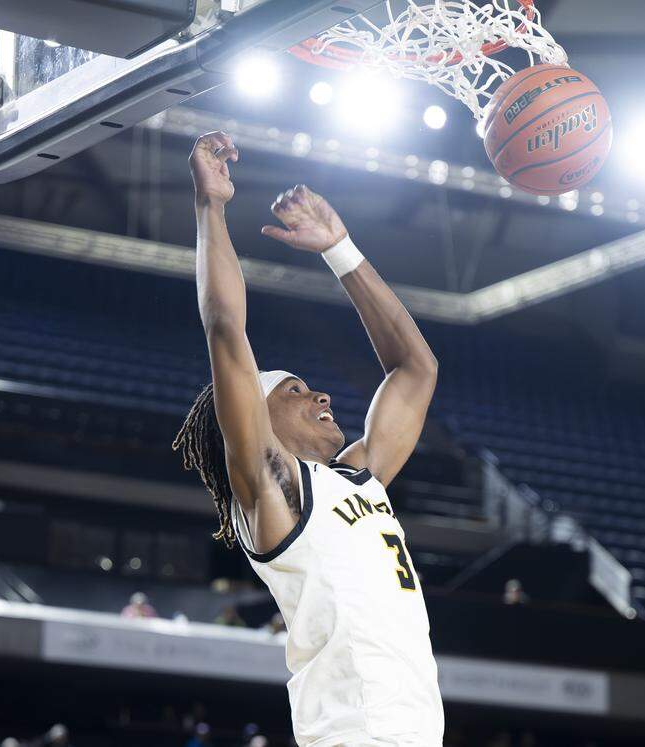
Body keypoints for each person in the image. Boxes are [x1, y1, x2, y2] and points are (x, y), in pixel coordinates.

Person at [173, 132, 443, 747]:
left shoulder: (358, 478)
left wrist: (341, 251)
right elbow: (224, 328)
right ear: (257, 419)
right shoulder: (273, 489)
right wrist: (211, 208)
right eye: (294, 390)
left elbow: (416, 370)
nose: (320, 396)